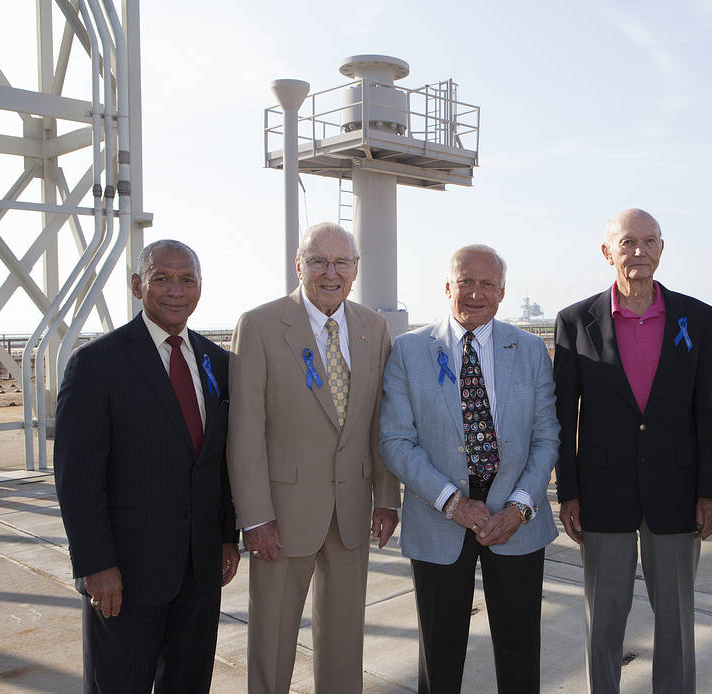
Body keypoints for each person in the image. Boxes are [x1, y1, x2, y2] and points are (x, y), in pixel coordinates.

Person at [55, 240, 238, 693]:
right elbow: (77, 479)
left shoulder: (219, 363)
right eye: (162, 278)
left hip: (199, 572)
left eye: (187, 279)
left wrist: (225, 536)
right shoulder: (96, 364)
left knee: (189, 684)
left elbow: (221, 462)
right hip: (125, 577)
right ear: (138, 285)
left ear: (200, 289)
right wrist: (96, 564)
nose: (175, 290)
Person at [553, 208, 712, 694]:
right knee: (603, 620)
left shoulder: (697, 317)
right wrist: (569, 492)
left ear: (662, 249)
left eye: (649, 242)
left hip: (677, 492)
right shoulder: (575, 322)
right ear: (607, 252)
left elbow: (708, 412)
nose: (639, 252)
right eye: (627, 242)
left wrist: (711, 490)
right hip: (603, 495)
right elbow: (565, 419)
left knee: (676, 623)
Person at [227, 222, 400, 693]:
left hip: (351, 512)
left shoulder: (372, 327)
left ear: (356, 269)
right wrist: (255, 516)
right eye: (318, 261)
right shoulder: (260, 325)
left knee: (345, 640)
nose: (330, 273)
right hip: (281, 517)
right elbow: (244, 432)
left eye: (341, 262)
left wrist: (387, 498)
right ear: (298, 265)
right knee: (272, 638)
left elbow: (380, 423)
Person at [378, 244, 559, 694]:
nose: (475, 293)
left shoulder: (532, 349)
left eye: (487, 285)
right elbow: (396, 441)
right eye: (466, 282)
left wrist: (518, 508)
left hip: (515, 523)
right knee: (439, 659)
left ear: (501, 293)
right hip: (438, 519)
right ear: (447, 287)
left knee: (520, 654)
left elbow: (547, 437)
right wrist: (452, 502)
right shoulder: (407, 350)